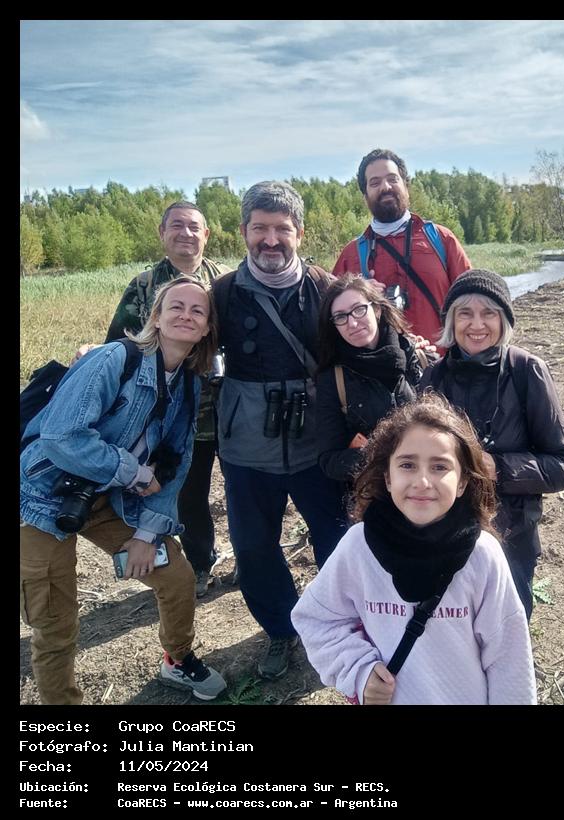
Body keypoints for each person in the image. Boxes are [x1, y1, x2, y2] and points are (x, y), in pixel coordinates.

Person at [20, 277, 227, 704]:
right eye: (176, 307)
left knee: (177, 576)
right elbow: (62, 436)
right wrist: (133, 472)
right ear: (156, 317)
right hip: (38, 500)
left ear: (207, 328)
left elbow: (175, 463)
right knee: (56, 623)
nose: (186, 315)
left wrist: (147, 535)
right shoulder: (114, 359)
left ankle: (177, 659)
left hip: (106, 500)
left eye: (198, 310)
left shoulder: (189, 383)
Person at [291, 394, 537, 705]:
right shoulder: (359, 546)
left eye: (439, 467)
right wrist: (358, 670)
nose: (422, 481)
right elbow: (315, 619)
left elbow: (509, 658)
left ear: (462, 482)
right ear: (388, 477)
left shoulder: (482, 554)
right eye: (407, 465)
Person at [213, 180, 346, 680]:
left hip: (319, 444)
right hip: (246, 447)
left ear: (299, 233)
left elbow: (365, 344)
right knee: (253, 549)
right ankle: (280, 629)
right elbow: (177, 341)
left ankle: (340, 621)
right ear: (244, 231)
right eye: (260, 228)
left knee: (338, 539)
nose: (271, 240)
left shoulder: (327, 288)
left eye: (282, 229)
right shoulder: (222, 293)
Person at [77, 201, 230, 597]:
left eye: (194, 226)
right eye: (176, 226)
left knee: (243, 490)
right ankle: (199, 564)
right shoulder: (144, 285)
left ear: (206, 234)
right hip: (175, 414)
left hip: (230, 410)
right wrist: (91, 352)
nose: (185, 233)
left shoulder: (226, 283)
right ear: (162, 234)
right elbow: (120, 343)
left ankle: (250, 559)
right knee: (188, 494)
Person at [420, 270, 564, 619]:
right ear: (451, 321)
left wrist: (499, 468)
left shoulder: (527, 371)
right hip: (445, 532)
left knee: (509, 624)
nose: (477, 325)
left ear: (503, 319)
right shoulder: (433, 377)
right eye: (465, 313)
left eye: (488, 313)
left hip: (512, 535)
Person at [332, 148, 471, 343]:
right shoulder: (351, 254)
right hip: (382, 362)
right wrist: (359, 293)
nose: (385, 187)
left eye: (392, 179)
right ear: (365, 195)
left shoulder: (441, 239)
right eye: (375, 182)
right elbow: (333, 317)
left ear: (406, 185)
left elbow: (473, 301)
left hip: (443, 360)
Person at [315, 274, 427, 489]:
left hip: (424, 487)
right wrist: (385, 455)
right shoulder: (333, 378)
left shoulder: (413, 354)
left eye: (359, 309)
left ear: (376, 309)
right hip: (375, 494)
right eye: (340, 317)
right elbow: (330, 460)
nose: (352, 323)